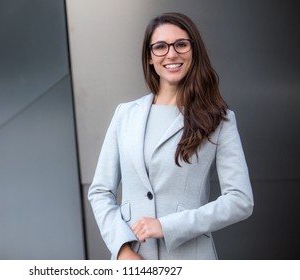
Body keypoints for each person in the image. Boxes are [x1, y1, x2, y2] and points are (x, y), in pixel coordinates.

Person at [88, 12, 254, 260]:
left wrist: (167, 226)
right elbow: (100, 192)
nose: (171, 53)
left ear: (193, 51)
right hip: (132, 260)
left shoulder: (220, 119)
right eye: (160, 47)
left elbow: (240, 200)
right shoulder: (125, 114)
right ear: (149, 57)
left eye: (181, 44)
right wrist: (122, 249)